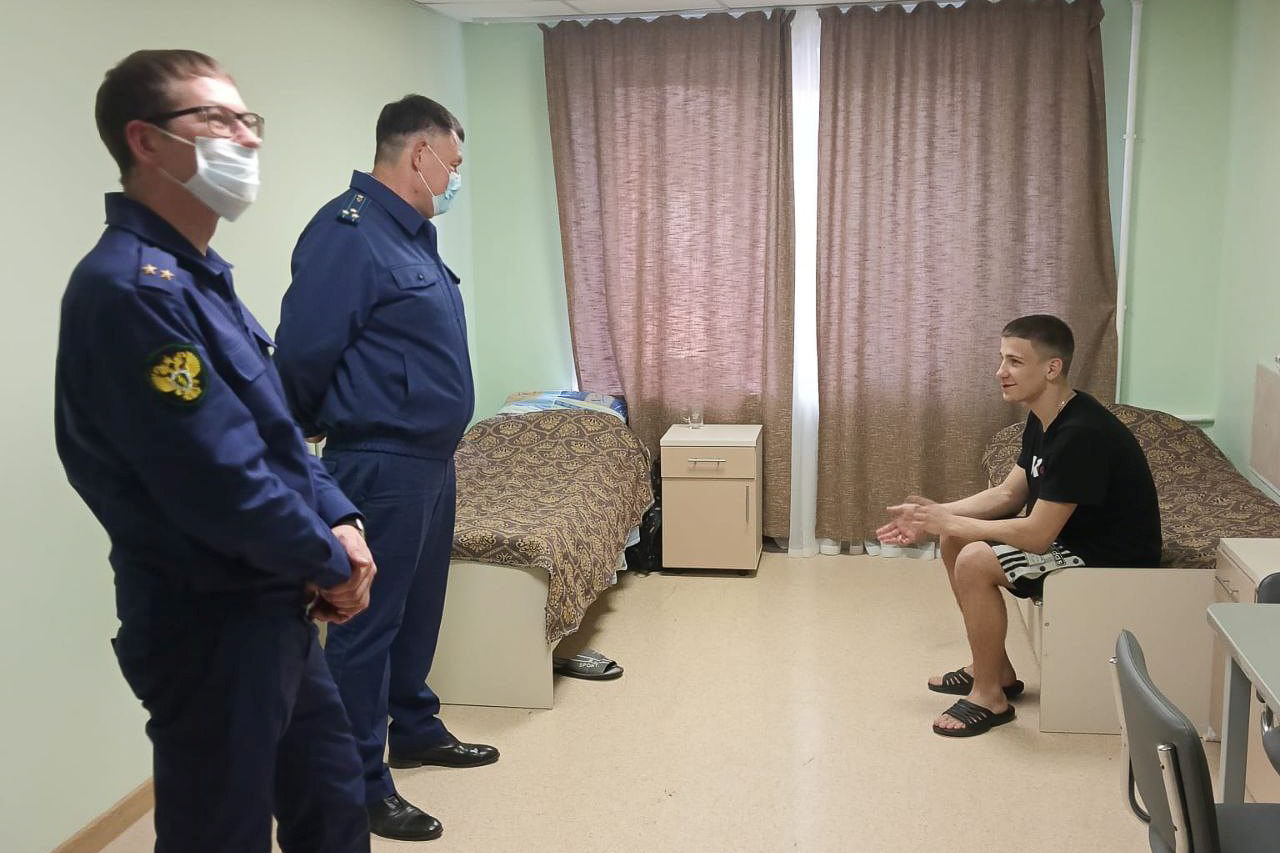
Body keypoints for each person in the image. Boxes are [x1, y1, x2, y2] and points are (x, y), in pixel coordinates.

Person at [55, 50, 375, 851]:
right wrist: (331, 565)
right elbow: (220, 481)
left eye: (248, 119)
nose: (248, 138)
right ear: (146, 141)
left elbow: (275, 437)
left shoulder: (199, 277)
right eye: (218, 119)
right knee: (219, 833)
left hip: (275, 603)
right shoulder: (131, 290)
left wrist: (341, 518)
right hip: (209, 623)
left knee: (333, 805)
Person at [275, 94, 497, 842]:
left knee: (417, 611)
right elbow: (301, 355)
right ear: (418, 154)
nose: (455, 178)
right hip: (380, 459)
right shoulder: (347, 234)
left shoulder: (412, 234)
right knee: (367, 629)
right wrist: (314, 442)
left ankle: (415, 726)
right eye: (453, 164)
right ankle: (359, 784)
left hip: (431, 459)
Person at [877, 314, 1161, 738]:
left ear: (1052, 368)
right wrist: (936, 514)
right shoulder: (1045, 416)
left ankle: (989, 696)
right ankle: (996, 670)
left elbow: (1037, 535)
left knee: (974, 559)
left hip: (1109, 556)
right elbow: (1010, 493)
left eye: (1014, 361)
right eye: (1002, 359)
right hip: (1073, 538)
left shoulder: (1081, 433)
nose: (1000, 372)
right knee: (956, 537)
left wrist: (948, 520)